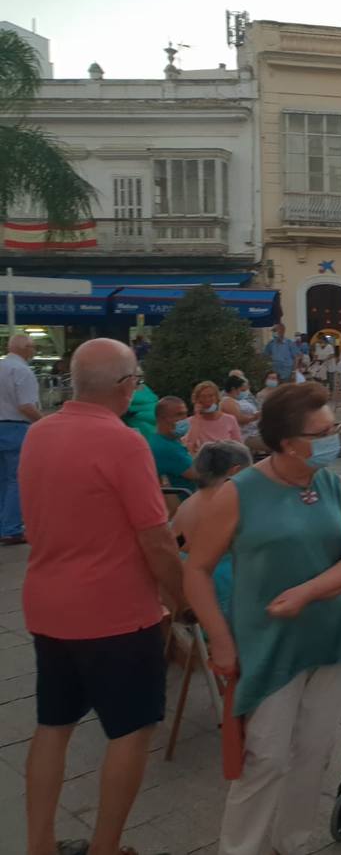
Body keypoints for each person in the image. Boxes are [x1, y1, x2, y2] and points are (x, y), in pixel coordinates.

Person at [183, 382, 341, 855]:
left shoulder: (337, 484)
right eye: (325, 431)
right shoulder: (238, 493)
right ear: (290, 443)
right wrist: (220, 641)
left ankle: (294, 842)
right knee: (264, 757)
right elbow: (198, 572)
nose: (336, 436)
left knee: (314, 752)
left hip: (328, 638)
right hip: (266, 643)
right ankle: (240, 848)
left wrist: (307, 593)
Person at [22, 338, 183, 855]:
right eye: (135, 379)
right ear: (124, 386)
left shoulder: (39, 434)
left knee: (53, 725)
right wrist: (180, 596)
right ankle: (106, 848)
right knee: (131, 731)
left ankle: (40, 844)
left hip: (48, 605)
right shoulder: (123, 441)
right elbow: (156, 538)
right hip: (115, 614)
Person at [172, 441, 253, 619]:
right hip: (223, 595)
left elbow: (179, 544)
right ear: (236, 472)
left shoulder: (187, 504)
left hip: (190, 590)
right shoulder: (230, 505)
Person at [0, 334, 42, 544]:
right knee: (16, 479)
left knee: (2, 480)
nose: (34, 351)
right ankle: (11, 528)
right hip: (16, 427)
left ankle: (2, 524)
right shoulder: (23, 371)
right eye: (33, 347)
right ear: (25, 348)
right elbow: (26, 405)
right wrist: (43, 422)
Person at [149, 396, 198, 491]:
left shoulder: (162, 440)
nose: (184, 419)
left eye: (185, 414)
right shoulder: (166, 448)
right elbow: (198, 475)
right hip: (184, 503)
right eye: (179, 415)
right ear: (161, 419)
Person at [184, 381, 242, 454]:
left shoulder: (230, 419)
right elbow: (189, 446)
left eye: (211, 396)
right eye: (203, 396)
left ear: (217, 398)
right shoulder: (191, 422)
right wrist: (197, 416)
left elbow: (239, 446)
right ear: (197, 399)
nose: (207, 400)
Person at [221, 374, 261, 445]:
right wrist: (254, 417)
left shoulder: (238, 400)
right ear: (233, 389)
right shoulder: (227, 401)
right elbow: (239, 420)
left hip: (255, 432)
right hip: (246, 436)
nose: (241, 392)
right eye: (241, 389)